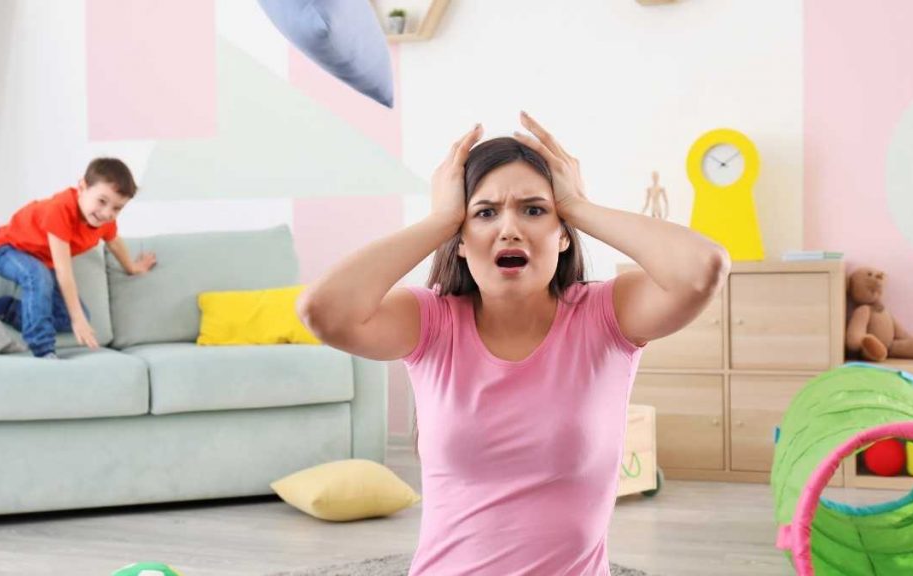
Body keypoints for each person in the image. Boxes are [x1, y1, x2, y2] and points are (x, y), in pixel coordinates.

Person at [297, 112, 729, 575]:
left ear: (563, 234)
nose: (509, 229)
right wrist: (441, 218)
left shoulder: (605, 317)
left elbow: (702, 269)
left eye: (534, 209)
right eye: (485, 212)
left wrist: (579, 205)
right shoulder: (430, 322)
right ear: (459, 240)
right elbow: (322, 311)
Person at [0, 158, 156, 358]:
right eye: (102, 201)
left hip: (43, 263)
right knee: (40, 278)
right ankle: (43, 348)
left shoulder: (104, 221)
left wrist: (131, 267)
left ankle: (8, 309)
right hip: (8, 251)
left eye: (117, 208)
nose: (107, 213)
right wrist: (77, 318)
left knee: (71, 317)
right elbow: (63, 270)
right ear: (82, 187)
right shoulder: (60, 209)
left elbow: (114, 242)